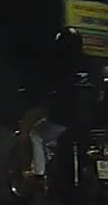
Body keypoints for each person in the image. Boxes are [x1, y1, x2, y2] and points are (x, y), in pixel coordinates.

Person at [25, 27, 93, 178]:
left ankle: (38, 172)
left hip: (64, 119)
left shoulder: (61, 63)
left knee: (36, 134)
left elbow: (48, 85)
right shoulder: (88, 63)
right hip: (89, 121)